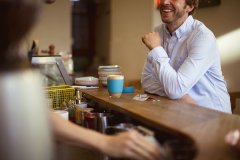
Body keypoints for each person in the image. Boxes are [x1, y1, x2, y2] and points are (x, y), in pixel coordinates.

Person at [0, 0, 161, 160]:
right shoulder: (16, 15)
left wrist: (105, 142)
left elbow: (37, 113)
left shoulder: (16, 22)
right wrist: (105, 142)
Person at [141, 0, 231, 113]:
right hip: (182, 111)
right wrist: (181, 96)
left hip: (213, 117)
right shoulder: (159, 32)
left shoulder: (202, 36)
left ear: (190, 6)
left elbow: (175, 90)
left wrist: (156, 49)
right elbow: (147, 80)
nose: (165, 2)